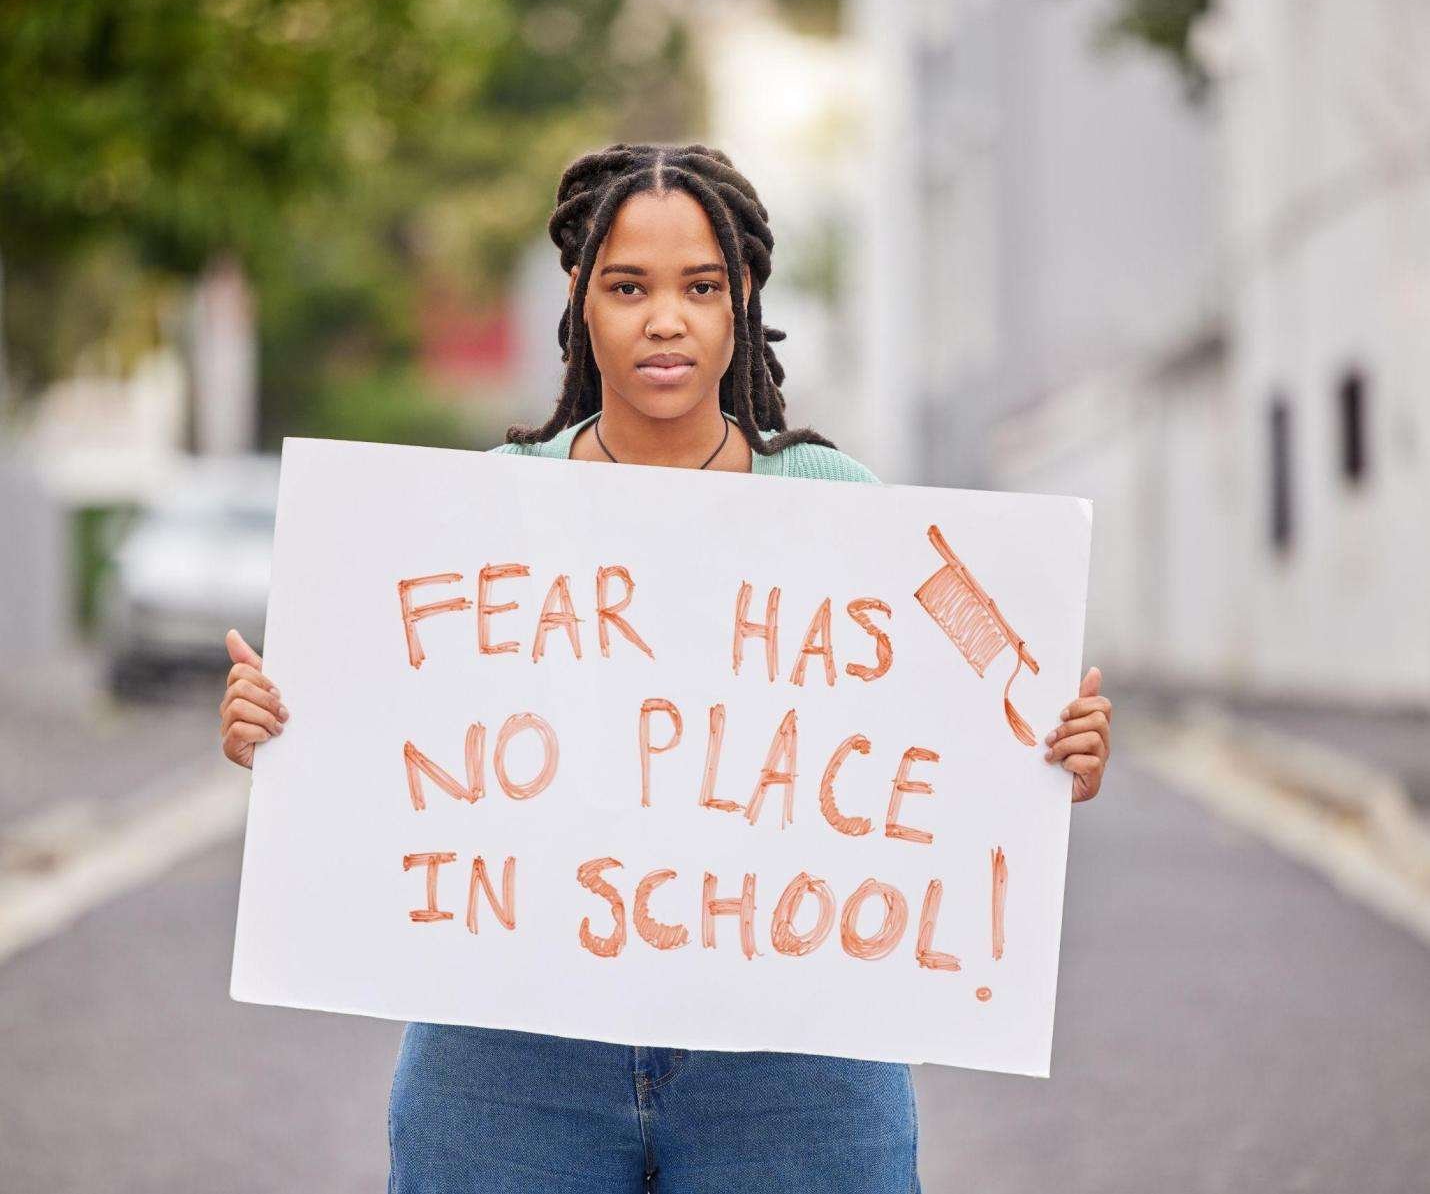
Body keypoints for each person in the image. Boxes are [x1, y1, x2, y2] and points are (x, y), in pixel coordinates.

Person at [218, 142, 1113, 1194]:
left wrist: (1049, 751)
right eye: (626, 285)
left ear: (741, 301)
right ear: (578, 302)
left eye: (699, 286)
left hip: (793, 1056)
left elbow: (979, 675)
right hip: (511, 1051)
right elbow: (388, 730)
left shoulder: (842, 500)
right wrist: (279, 724)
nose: (663, 319)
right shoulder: (486, 506)